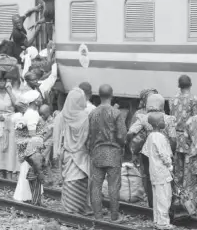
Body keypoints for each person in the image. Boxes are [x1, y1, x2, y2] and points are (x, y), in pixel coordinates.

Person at [128, 93, 176, 208]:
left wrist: (133, 148)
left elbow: (130, 133)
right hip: (165, 153)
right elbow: (173, 139)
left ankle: (151, 204)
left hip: (148, 153)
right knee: (166, 178)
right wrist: (171, 153)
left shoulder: (144, 118)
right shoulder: (169, 119)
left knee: (150, 178)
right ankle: (166, 204)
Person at [87, 84, 127, 220]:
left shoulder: (93, 113)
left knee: (96, 186)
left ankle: (98, 216)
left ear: (99, 95)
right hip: (113, 154)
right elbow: (122, 136)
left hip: (97, 153)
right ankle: (114, 216)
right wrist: (122, 145)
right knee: (113, 186)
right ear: (112, 95)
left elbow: (90, 135)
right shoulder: (116, 113)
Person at [53, 88, 91, 215]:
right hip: (81, 155)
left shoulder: (61, 116)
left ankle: (69, 207)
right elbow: (88, 138)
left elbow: (56, 137)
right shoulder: (85, 117)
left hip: (67, 155)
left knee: (69, 179)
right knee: (81, 180)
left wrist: (56, 153)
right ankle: (81, 207)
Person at [169, 75, 197, 195]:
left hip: (175, 137)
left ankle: (176, 193)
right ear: (190, 84)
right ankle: (187, 196)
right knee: (188, 169)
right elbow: (195, 120)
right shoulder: (193, 100)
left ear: (179, 86)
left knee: (177, 168)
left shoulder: (172, 99)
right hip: (188, 138)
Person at [145, 113, 174, 230]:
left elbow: (147, 152)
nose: (164, 121)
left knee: (157, 197)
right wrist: (170, 166)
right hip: (162, 171)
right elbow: (164, 155)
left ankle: (157, 220)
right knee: (164, 197)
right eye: (162, 119)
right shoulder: (160, 137)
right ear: (157, 123)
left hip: (154, 171)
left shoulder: (150, 136)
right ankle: (163, 223)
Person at [24, 137, 47, 206]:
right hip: (35, 175)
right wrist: (42, 178)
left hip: (30, 174)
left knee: (33, 189)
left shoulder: (30, 154)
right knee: (37, 190)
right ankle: (35, 203)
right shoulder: (37, 155)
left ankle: (37, 202)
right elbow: (38, 168)